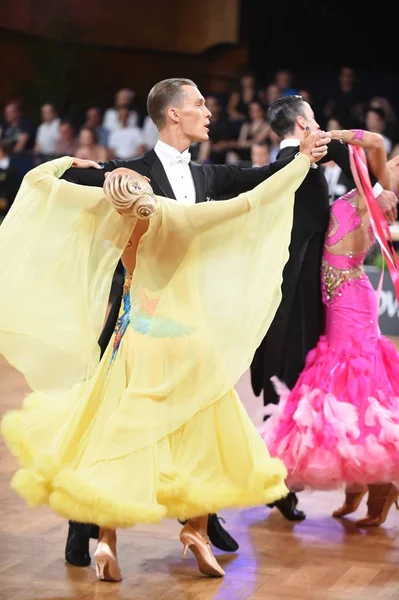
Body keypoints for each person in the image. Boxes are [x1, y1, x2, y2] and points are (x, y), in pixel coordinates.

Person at [0, 129, 322, 581]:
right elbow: (255, 199)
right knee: (202, 434)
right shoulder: (182, 217)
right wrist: (301, 164)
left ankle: (107, 542)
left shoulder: (115, 215)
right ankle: (196, 532)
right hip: (188, 339)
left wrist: (62, 164)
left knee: (118, 434)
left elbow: (39, 186)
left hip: (136, 338)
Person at [250, 95, 398, 522]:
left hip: (337, 297)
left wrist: (381, 185)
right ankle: (302, 482)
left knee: (350, 389)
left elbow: (371, 148)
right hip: (298, 301)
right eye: (313, 119)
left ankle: (372, 487)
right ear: (301, 122)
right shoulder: (286, 169)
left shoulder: (354, 174)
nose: (321, 127)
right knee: (303, 384)